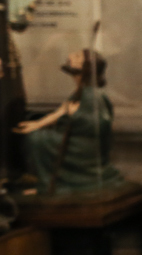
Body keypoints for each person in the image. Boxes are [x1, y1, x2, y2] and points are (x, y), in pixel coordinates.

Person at [14, 49, 123, 195]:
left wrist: (75, 116)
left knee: (37, 140)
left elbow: (100, 124)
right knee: (37, 136)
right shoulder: (80, 91)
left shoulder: (94, 94)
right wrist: (37, 124)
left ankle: (49, 186)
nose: (70, 56)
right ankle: (49, 184)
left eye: (77, 56)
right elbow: (61, 111)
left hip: (84, 145)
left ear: (86, 67)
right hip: (73, 137)